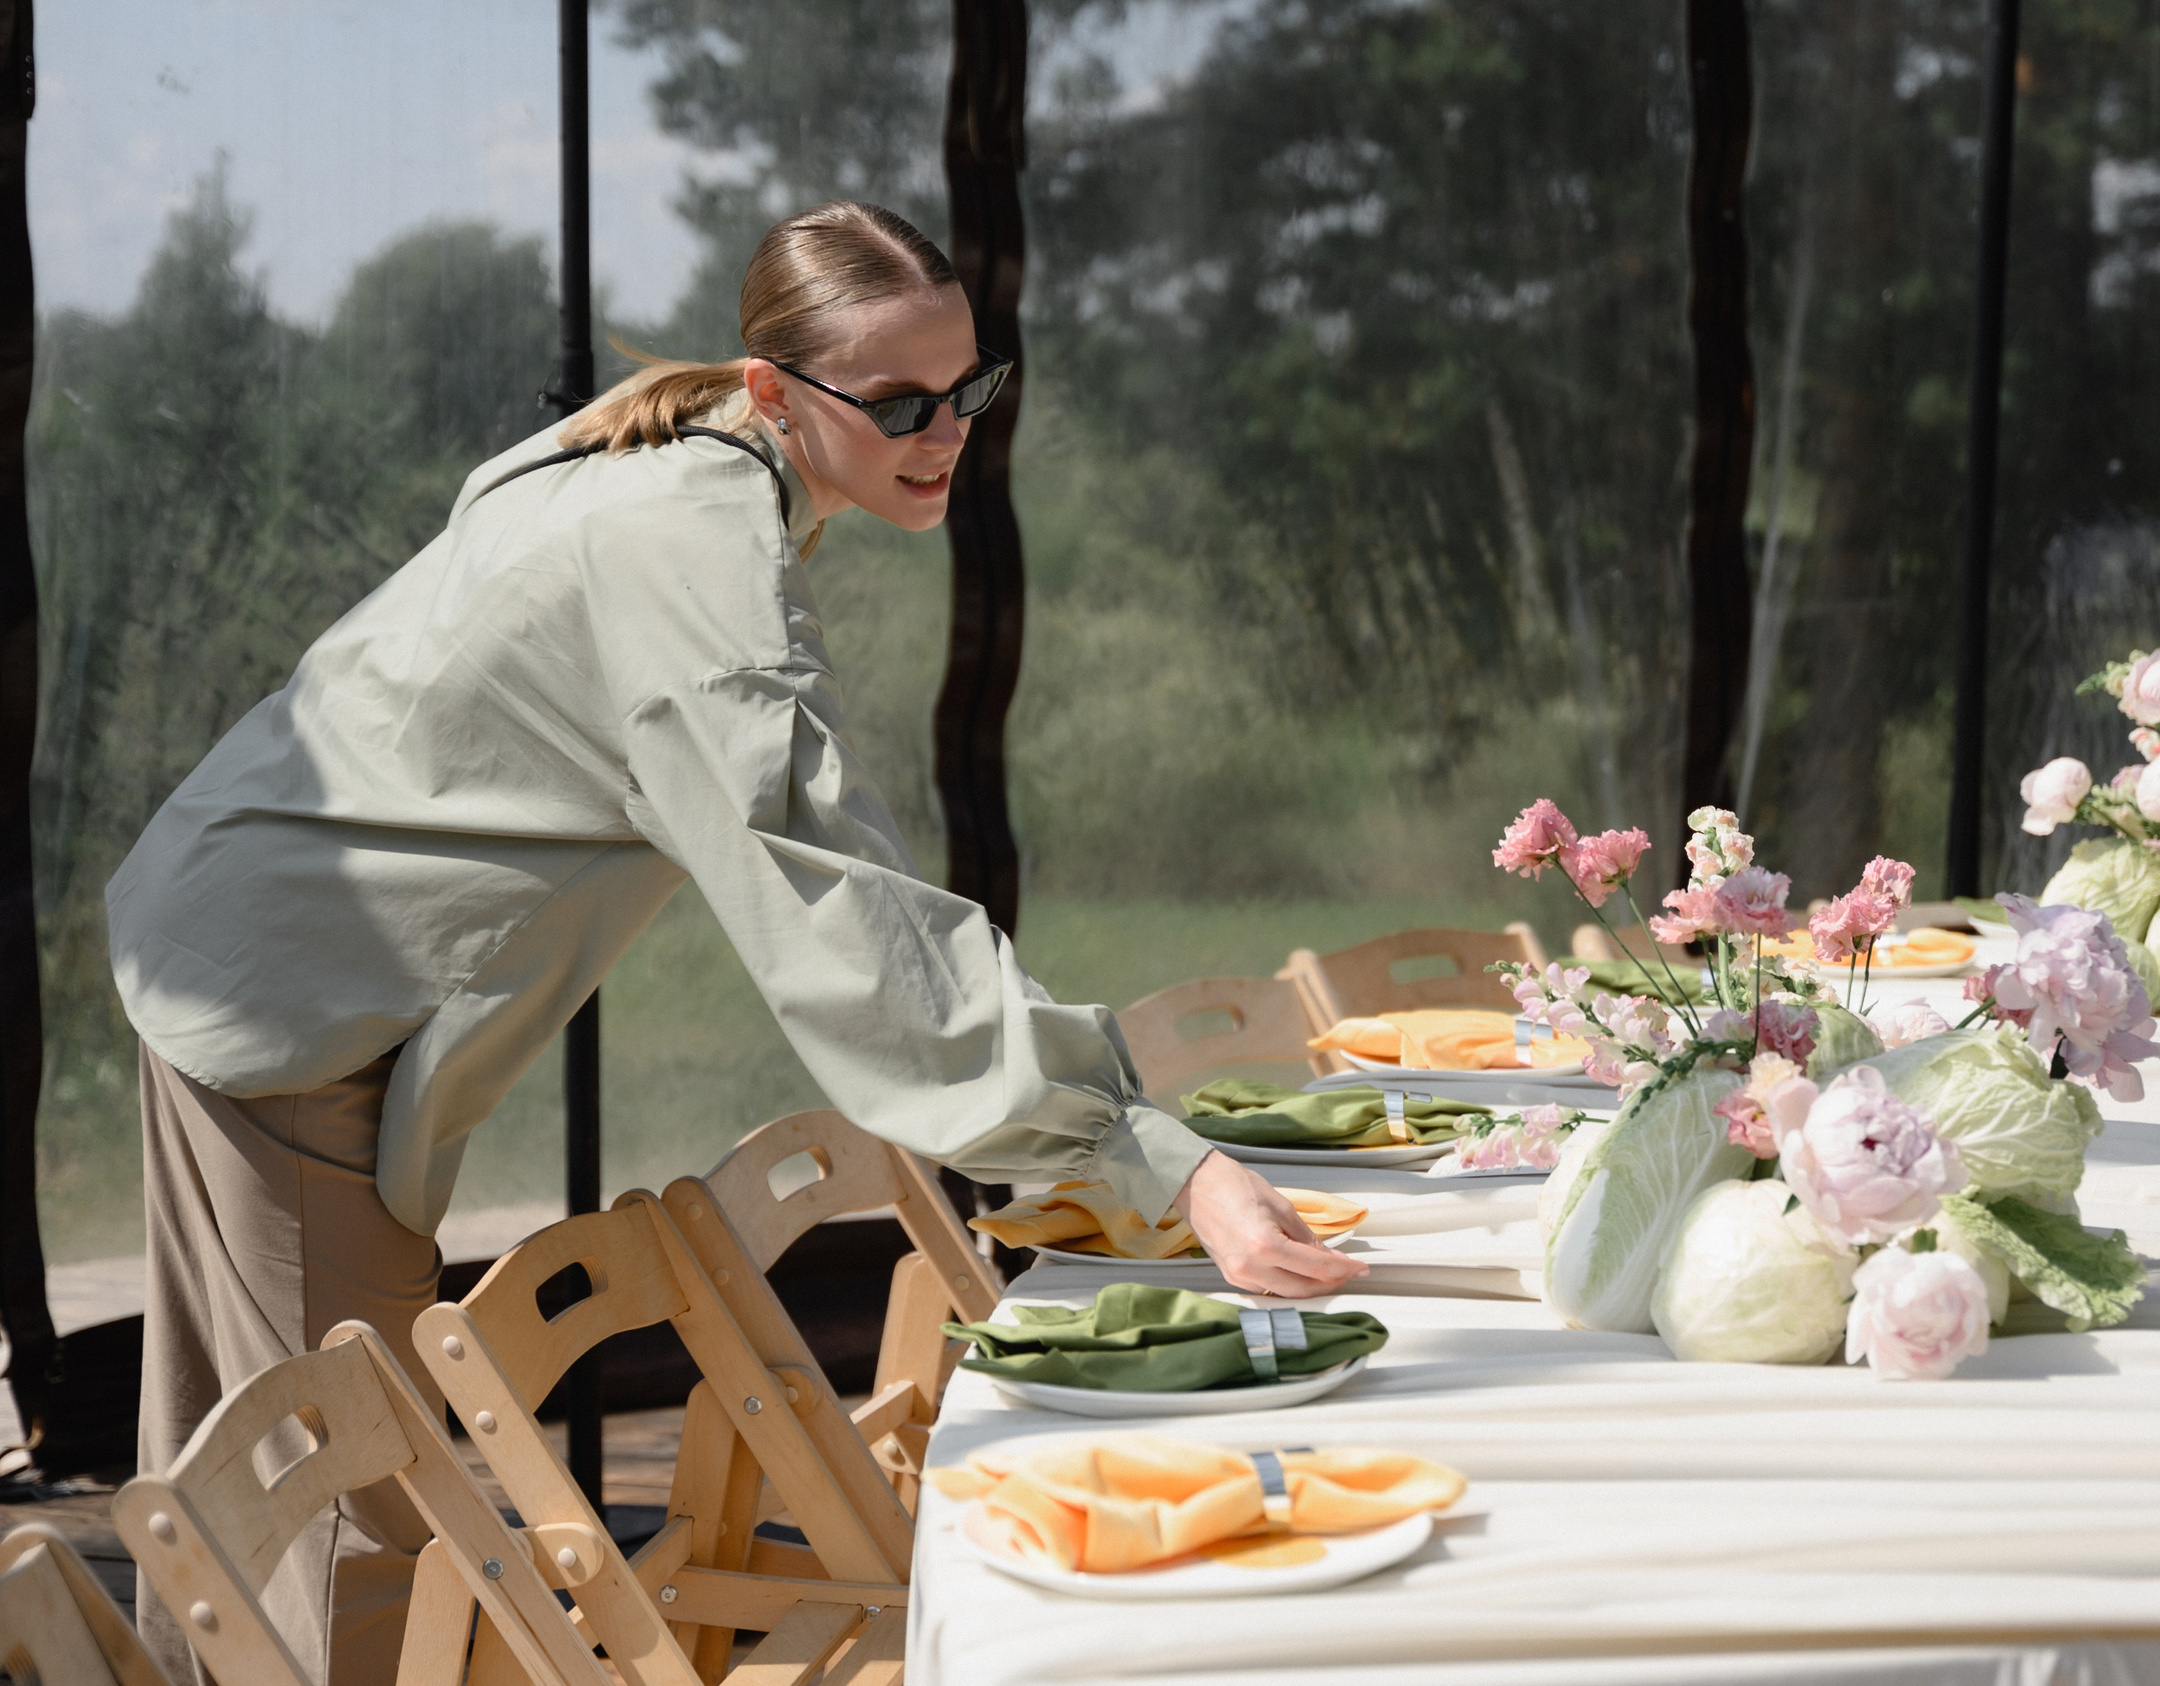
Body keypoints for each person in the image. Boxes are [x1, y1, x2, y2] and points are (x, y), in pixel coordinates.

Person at [105, 200, 1363, 1684]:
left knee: (239, 1495)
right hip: (287, 981)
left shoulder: (695, 461)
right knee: (331, 1514)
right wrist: (1154, 1153)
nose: (945, 429)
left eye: (971, 387)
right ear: (776, 388)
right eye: (897, 401)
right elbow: (844, 919)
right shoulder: (690, 552)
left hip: (250, 930)